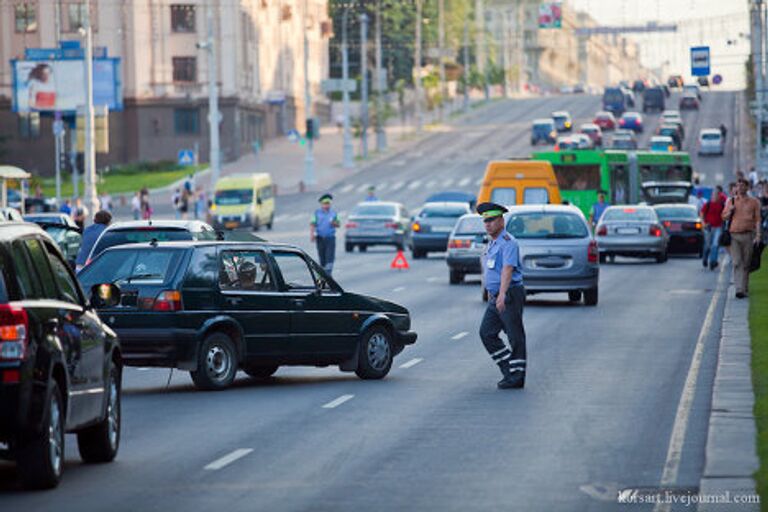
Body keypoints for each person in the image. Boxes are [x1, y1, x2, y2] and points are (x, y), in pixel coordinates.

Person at [477, 202, 526, 390]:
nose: (488, 224)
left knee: (515, 336)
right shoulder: (492, 244)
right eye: (485, 221)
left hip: (509, 294)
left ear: (501, 221)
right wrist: (491, 291)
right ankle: (509, 370)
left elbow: (507, 269)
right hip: (496, 295)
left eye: (491, 220)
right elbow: (491, 269)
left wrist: (502, 294)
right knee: (486, 333)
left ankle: (517, 376)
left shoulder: (508, 242)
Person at [722, 178, 762, 299]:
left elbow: (758, 219)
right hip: (734, 235)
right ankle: (738, 288)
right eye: (738, 186)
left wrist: (758, 235)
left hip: (748, 235)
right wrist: (730, 211)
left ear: (747, 187)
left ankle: (744, 288)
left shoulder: (754, 202)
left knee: (746, 263)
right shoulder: (731, 201)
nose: (739, 188)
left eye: (742, 186)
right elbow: (724, 217)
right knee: (736, 262)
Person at [310, 193, 341, 274]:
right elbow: (313, 224)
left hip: (330, 238)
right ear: (321, 204)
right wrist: (312, 234)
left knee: (329, 257)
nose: (326, 205)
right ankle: (323, 274)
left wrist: (334, 223)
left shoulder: (334, 213)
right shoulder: (317, 213)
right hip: (320, 238)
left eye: (328, 203)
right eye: (325, 203)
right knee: (322, 257)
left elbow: (338, 224)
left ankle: (328, 274)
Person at [701, 185, 727, 270]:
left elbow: (724, 216)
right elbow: (702, 214)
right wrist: (703, 223)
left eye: (717, 195)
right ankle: (705, 258)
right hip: (708, 227)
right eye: (714, 195)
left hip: (718, 227)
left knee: (715, 245)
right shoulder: (707, 204)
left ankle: (713, 261)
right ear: (712, 196)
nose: (716, 197)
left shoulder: (722, 205)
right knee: (708, 245)